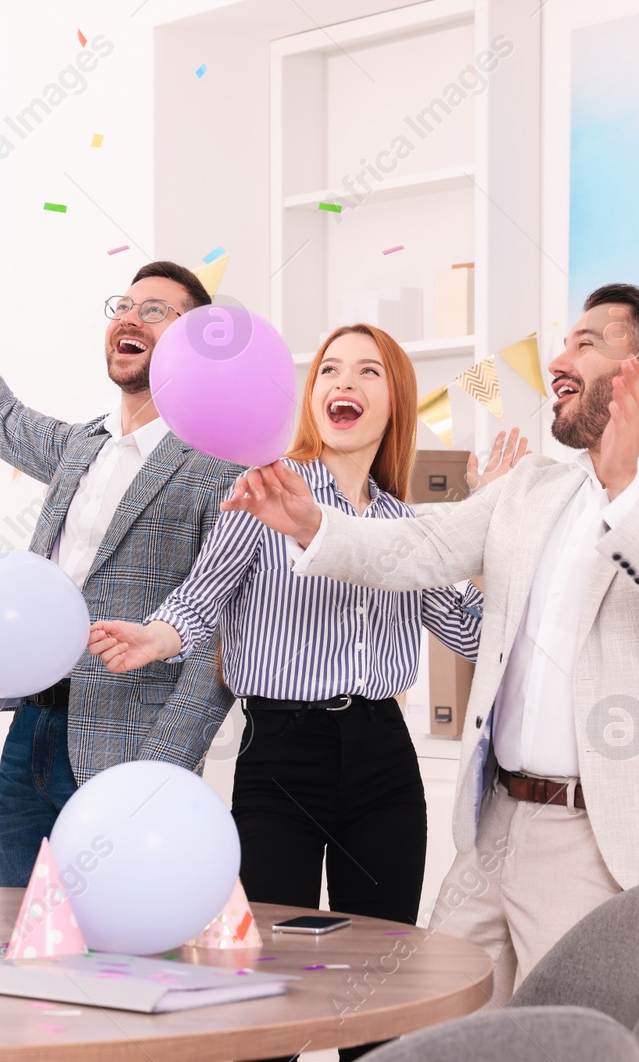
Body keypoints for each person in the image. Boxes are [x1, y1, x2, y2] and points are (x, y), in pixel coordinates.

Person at [221, 284, 639, 1005]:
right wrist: (311, 526)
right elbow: (419, 546)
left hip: (600, 843)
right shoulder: (532, 488)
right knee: (431, 1028)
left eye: (584, 343)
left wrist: (627, 495)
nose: (557, 359)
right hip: (493, 830)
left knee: (572, 1044)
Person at [88, 324, 495, 1062]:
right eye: (330, 369)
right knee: (267, 980)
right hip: (281, 758)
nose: (345, 382)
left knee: (381, 985)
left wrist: (495, 528)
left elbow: (470, 636)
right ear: (311, 398)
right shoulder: (266, 489)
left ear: (394, 399)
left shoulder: (410, 527)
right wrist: (155, 635)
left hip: (383, 762)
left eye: (369, 371)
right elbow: (200, 598)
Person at [0, 232, 236, 886]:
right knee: (25, 934)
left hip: (129, 748)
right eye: (124, 305)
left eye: (156, 310)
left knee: (123, 944)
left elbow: (218, 642)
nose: (130, 318)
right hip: (32, 726)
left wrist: (161, 770)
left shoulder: (217, 469)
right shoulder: (82, 448)